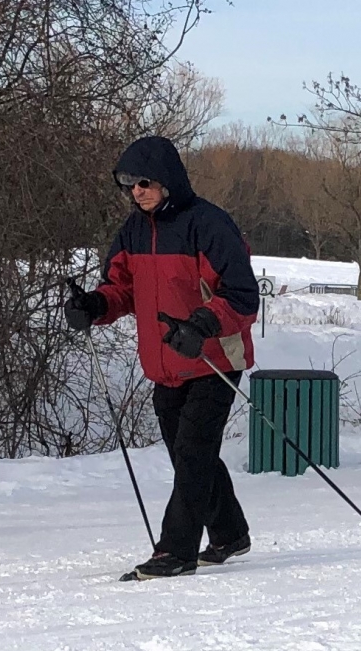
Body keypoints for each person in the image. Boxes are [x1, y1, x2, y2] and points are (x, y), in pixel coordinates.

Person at [64, 135, 261, 581]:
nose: (136, 191)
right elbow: (122, 289)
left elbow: (243, 296)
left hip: (213, 360)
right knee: (189, 454)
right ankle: (230, 532)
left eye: (143, 181)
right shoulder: (133, 232)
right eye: (127, 184)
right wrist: (94, 305)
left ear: (167, 179)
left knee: (193, 453)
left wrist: (202, 325)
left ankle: (175, 550)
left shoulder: (208, 224)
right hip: (166, 365)